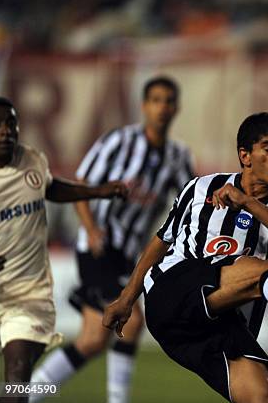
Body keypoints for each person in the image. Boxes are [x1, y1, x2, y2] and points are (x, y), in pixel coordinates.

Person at [103, 112, 268, 403]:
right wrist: (126, 298)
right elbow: (160, 241)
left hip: (218, 326)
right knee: (264, 268)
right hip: (171, 296)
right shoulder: (200, 188)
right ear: (245, 156)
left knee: (265, 398)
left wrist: (248, 203)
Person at [31, 76, 195, 403]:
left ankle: (26, 394)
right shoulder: (119, 142)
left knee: (92, 340)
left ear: (176, 108)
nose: (162, 107)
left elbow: (191, 200)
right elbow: (80, 183)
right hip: (99, 246)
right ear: (144, 105)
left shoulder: (177, 157)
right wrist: (91, 228)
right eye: (156, 100)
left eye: (168, 101)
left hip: (129, 254)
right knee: (131, 320)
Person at [0, 97, 127, 403]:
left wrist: (97, 191)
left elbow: (50, 188)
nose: (5, 132)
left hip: (25, 295)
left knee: (17, 380)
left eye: (10, 124)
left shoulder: (31, 160)